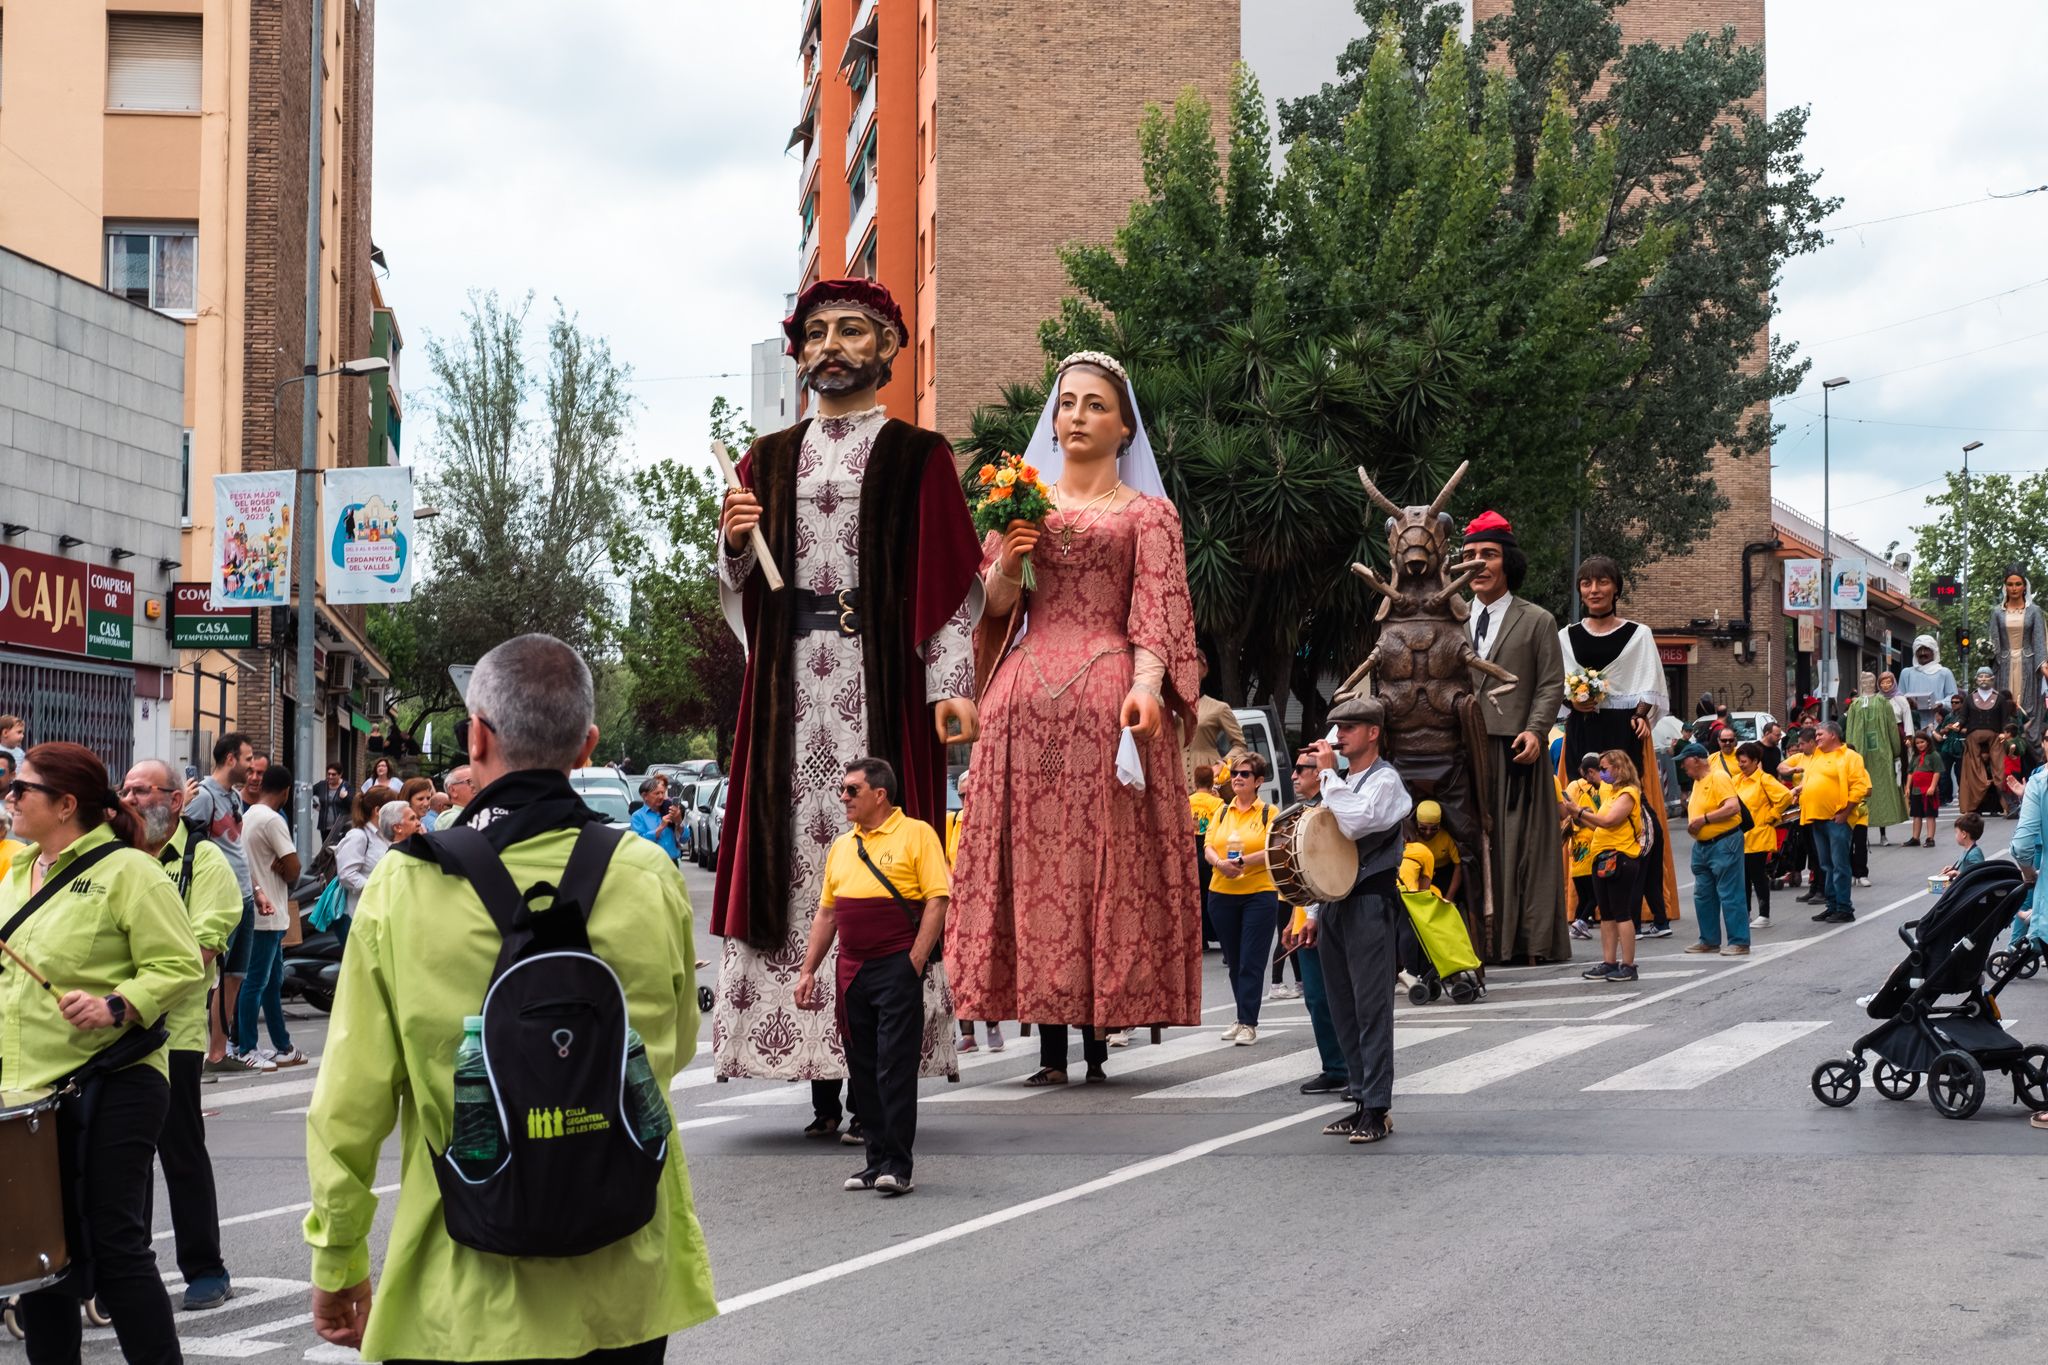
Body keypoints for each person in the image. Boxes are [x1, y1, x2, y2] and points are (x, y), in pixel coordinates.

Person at [304, 634, 716, 1361]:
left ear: (476, 735)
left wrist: (339, 1259)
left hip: (469, 1284)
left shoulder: (407, 885)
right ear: (587, 745)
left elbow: (349, 1102)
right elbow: (673, 1048)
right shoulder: (649, 874)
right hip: (625, 1270)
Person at [712, 276, 976, 1132]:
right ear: (799, 352)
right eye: (817, 331)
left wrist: (950, 693)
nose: (832, 345)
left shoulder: (919, 455)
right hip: (788, 692)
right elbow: (738, 589)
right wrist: (731, 540)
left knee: (880, 879)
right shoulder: (766, 458)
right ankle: (820, 1085)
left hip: (878, 688)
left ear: (890, 349)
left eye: (853, 331)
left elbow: (949, 587)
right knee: (797, 886)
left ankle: (873, 1081)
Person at [948, 350, 1202, 1086]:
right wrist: (1005, 562)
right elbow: (997, 610)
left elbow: (1157, 611)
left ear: (1125, 427)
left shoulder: (1149, 516)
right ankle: (1049, 1041)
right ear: (1052, 421)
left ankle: (1097, 1033)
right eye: (1067, 404)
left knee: (1103, 864)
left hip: (1108, 694)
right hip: (1024, 701)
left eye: (1095, 404)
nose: (1077, 416)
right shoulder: (1020, 503)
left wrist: (1148, 687)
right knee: (1029, 873)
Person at [1, 742, 204, 1365]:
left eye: (21, 790)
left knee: (115, 1245)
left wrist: (117, 1004)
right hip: (25, 1091)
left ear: (66, 805)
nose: (8, 798)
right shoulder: (13, 873)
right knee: (41, 1253)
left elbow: (181, 963)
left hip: (113, 1081)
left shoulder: (130, 873)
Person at [794, 758, 949, 1196]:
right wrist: (808, 970)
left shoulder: (917, 834)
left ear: (879, 795)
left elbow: (937, 900)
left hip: (895, 966)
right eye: (843, 790)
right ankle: (873, 1162)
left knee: (893, 1065)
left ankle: (898, 1165)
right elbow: (828, 913)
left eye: (851, 790)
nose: (843, 797)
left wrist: (914, 961)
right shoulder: (843, 846)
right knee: (862, 1067)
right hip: (852, 970)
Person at [123, 757, 242, 1310]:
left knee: (180, 1150)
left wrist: (131, 993)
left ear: (176, 801)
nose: (131, 798)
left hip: (174, 1034)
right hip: (112, 1031)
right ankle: (125, 1266)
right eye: (125, 788)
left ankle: (205, 1267)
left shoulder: (203, 860)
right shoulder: (114, 860)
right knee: (121, 1158)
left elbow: (199, 953)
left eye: (144, 790)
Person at [1301, 695, 1411, 1144]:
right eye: (1336, 728)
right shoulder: (1339, 782)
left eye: (1348, 728)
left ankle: (1378, 1106)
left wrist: (1327, 775)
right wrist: (1310, 911)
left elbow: (1356, 824)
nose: (1339, 736)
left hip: (1369, 902)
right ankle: (1360, 1098)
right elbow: (1321, 851)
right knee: (1341, 1006)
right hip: (1335, 904)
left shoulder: (1386, 781)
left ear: (1372, 733)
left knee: (1371, 1008)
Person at [1461, 510, 1569, 962]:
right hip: (1461, 748)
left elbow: (1550, 683)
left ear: (1510, 563)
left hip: (1514, 748)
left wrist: (1536, 730)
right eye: (1469, 556)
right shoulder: (1449, 619)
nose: (1478, 564)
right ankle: (1466, 941)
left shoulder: (1538, 620)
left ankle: (1525, 943)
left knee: (1520, 847)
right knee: (1467, 847)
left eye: (1489, 554)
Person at [1555, 555, 1679, 936]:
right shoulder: (1565, 636)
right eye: (1586, 583)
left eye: (1602, 582)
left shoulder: (1638, 634)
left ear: (1616, 588)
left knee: (1627, 815)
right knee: (1582, 812)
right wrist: (1573, 700)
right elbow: (1555, 687)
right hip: (1582, 730)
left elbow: (1649, 685)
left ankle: (1634, 903)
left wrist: (1642, 714)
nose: (1594, 590)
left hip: (1622, 735)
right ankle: (1583, 903)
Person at [186, 732, 263, 1074]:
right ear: (231, 759)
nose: (252, 766)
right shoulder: (203, 797)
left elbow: (237, 848)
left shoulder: (232, 797)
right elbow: (188, 844)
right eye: (247, 759)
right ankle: (194, 1051)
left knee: (236, 975)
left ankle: (219, 1052)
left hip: (244, 897)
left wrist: (256, 889)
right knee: (209, 974)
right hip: (219, 900)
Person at [1280, 749, 1349, 1094]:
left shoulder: (1330, 809)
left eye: (1301, 769)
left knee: (1335, 996)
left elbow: (1328, 870)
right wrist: (1294, 918)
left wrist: (1311, 916)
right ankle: (1335, 1066)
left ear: (1320, 772)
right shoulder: (1302, 812)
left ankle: (1350, 1068)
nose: (1293, 775)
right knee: (1316, 999)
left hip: (1327, 917)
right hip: (1306, 917)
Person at [1204, 753, 1281, 1045]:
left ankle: (1249, 1022)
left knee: (1251, 960)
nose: (1237, 777)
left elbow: (1274, 848)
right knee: (1235, 961)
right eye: (1235, 773)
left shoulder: (1268, 813)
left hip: (1258, 894)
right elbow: (1209, 845)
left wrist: (1243, 862)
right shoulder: (1222, 811)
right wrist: (1219, 863)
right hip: (1221, 893)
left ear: (1258, 781)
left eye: (1245, 774)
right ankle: (1240, 1017)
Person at [237, 763, 308, 1068]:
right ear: (287, 791)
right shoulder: (272, 819)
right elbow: (294, 867)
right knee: (256, 982)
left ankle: (282, 1044)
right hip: (267, 912)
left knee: (269, 981)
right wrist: (286, 863)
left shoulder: (249, 813)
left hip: (261, 908)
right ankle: (245, 1046)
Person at [1571, 748, 1646, 982]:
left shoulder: (1628, 793)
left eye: (1604, 769)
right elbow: (1601, 826)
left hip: (1621, 857)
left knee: (1621, 912)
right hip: (1602, 857)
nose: (1602, 774)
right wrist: (1579, 816)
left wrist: (1580, 812)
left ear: (1619, 768)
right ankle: (1609, 961)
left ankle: (1628, 965)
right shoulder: (1612, 794)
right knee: (1606, 914)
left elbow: (1608, 821)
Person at [1804, 721, 1872, 924]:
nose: (1816, 738)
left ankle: (1844, 908)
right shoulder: (1817, 755)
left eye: (1820, 734)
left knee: (1839, 865)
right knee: (1826, 865)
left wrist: (1846, 812)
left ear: (1833, 735)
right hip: (1816, 818)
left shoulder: (1850, 757)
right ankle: (1832, 905)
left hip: (1837, 819)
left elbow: (1860, 787)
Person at [331, 787, 400, 949]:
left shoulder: (385, 836)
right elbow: (347, 875)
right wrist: (376, 887)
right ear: (378, 810)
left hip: (379, 914)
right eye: (392, 808)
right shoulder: (358, 836)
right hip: (359, 916)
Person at [1733, 742, 1793, 929]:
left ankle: (1764, 915)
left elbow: (1785, 796)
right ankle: (1746, 913)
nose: (1741, 765)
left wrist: (1772, 815)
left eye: (1744, 761)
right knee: (1742, 877)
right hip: (1741, 836)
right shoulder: (1736, 780)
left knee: (1757, 875)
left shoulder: (1764, 779)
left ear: (1755, 761)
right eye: (1739, 761)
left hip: (1758, 835)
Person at [1846, 671, 1907, 846]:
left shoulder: (1882, 702)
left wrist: (1895, 752)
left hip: (1880, 756)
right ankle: (1862, 834)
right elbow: (1849, 731)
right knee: (1861, 793)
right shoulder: (1855, 705)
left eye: (1870, 680)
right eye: (1865, 680)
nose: (1867, 683)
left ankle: (1882, 833)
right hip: (1861, 756)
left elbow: (1891, 728)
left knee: (1880, 793)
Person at [1989, 566, 2047, 733]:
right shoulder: (1997, 613)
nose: (2014, 588)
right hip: (2004, 663)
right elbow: (1994, 641)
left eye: (2018, 584)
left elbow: (2039, 640)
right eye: (2010, 584)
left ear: (2024, 587)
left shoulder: (2034, 611)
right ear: (2005, 587)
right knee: (2005, 703)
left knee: (2028, 704)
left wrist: (2043, 665)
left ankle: (2028, 739)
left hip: (2028, 663)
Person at [1182, 649, 1247, 791]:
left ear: (1204, 670)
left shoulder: (1219, 708)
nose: (1188, 669)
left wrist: (1222, 763)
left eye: (1194, 664)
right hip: (1176, 778)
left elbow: (1240, 745)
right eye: (1183, 664)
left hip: (1209, 779)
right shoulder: (1167, 706)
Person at [1959, 668, 2016, 817]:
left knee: (2001, 770)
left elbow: (2005, 720)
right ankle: (1972, 806)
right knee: (1972, 772)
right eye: (1981, 677)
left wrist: (2005, 732)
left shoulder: (2000, 699)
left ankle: (2008, 805)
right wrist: (1958, 725)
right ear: (1976, 679)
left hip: (1995, 738)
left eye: (1987, 677)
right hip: (1973, 739)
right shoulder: (1969, 698)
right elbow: (1963, 717)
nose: (1983, 679)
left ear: (1992, 679)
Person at [1564, 754, 1603, 940]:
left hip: (1576, 856)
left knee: (1583, 895)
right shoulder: (1601, 788)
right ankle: (1580, 922)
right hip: (1590, 853)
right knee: (1596, 894)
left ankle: (1578, 923)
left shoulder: (1572, 787)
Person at [1189, 762, 1225, 950]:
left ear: (1194, 782)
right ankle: (1219, 934)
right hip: (1210, 850)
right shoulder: (1218, 803)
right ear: (1212, 782)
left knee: (1197, 896)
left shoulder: (1187, 800)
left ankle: (1201, 939)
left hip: (1192, 851)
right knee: (1213, 895)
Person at [1897, 634, 1959, 734]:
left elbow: (1954, 698)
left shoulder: (1944, 673)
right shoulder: (1906, 673)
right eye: (1919, 650)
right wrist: (1907, 702)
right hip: (1913, 723)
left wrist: (1941, 704)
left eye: (1926, 649)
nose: (1922, 653)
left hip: (1938, 722)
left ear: (1933, 651)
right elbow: (1898, 698)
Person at [631, 775, 685, 862]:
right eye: (657, 793)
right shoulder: (637, 816)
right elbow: (639, 843)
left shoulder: (669, 810)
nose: (661, 797)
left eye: (662, 793)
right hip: (651, 863)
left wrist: (679, 821)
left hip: (672, 862)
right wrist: (660, 828)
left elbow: (685, 839)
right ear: (645, 796)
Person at [1905, 732, 1942, 846]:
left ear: (1928, 742)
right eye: (1917, 743)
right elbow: (1911, 772)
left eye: (1922, 742)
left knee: (1930, 814)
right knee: (1917, 814)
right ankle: (1915, 838)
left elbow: (1937, 772)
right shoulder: (1915, 757)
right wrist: (1907, 787)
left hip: (1929, 790)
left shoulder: (1934, 755)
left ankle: (1930, 838)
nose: (1920, 745)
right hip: (1916, 790)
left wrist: (1932, 786)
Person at [313, 764, 352, 839]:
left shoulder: (347, 786)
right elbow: (307, 794)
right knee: (326, 849)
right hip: (324, 827)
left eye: (333, 774)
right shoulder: (322, 785)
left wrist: (345, 797)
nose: (330, 777)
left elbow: (353, 804)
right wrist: (315, 805)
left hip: (341, 827)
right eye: (329, 774)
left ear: (340, 775)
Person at [439, 765, 478, 829]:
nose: (476, 785)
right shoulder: (450, 817)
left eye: (477, 780)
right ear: (452, 790)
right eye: (470, 781)